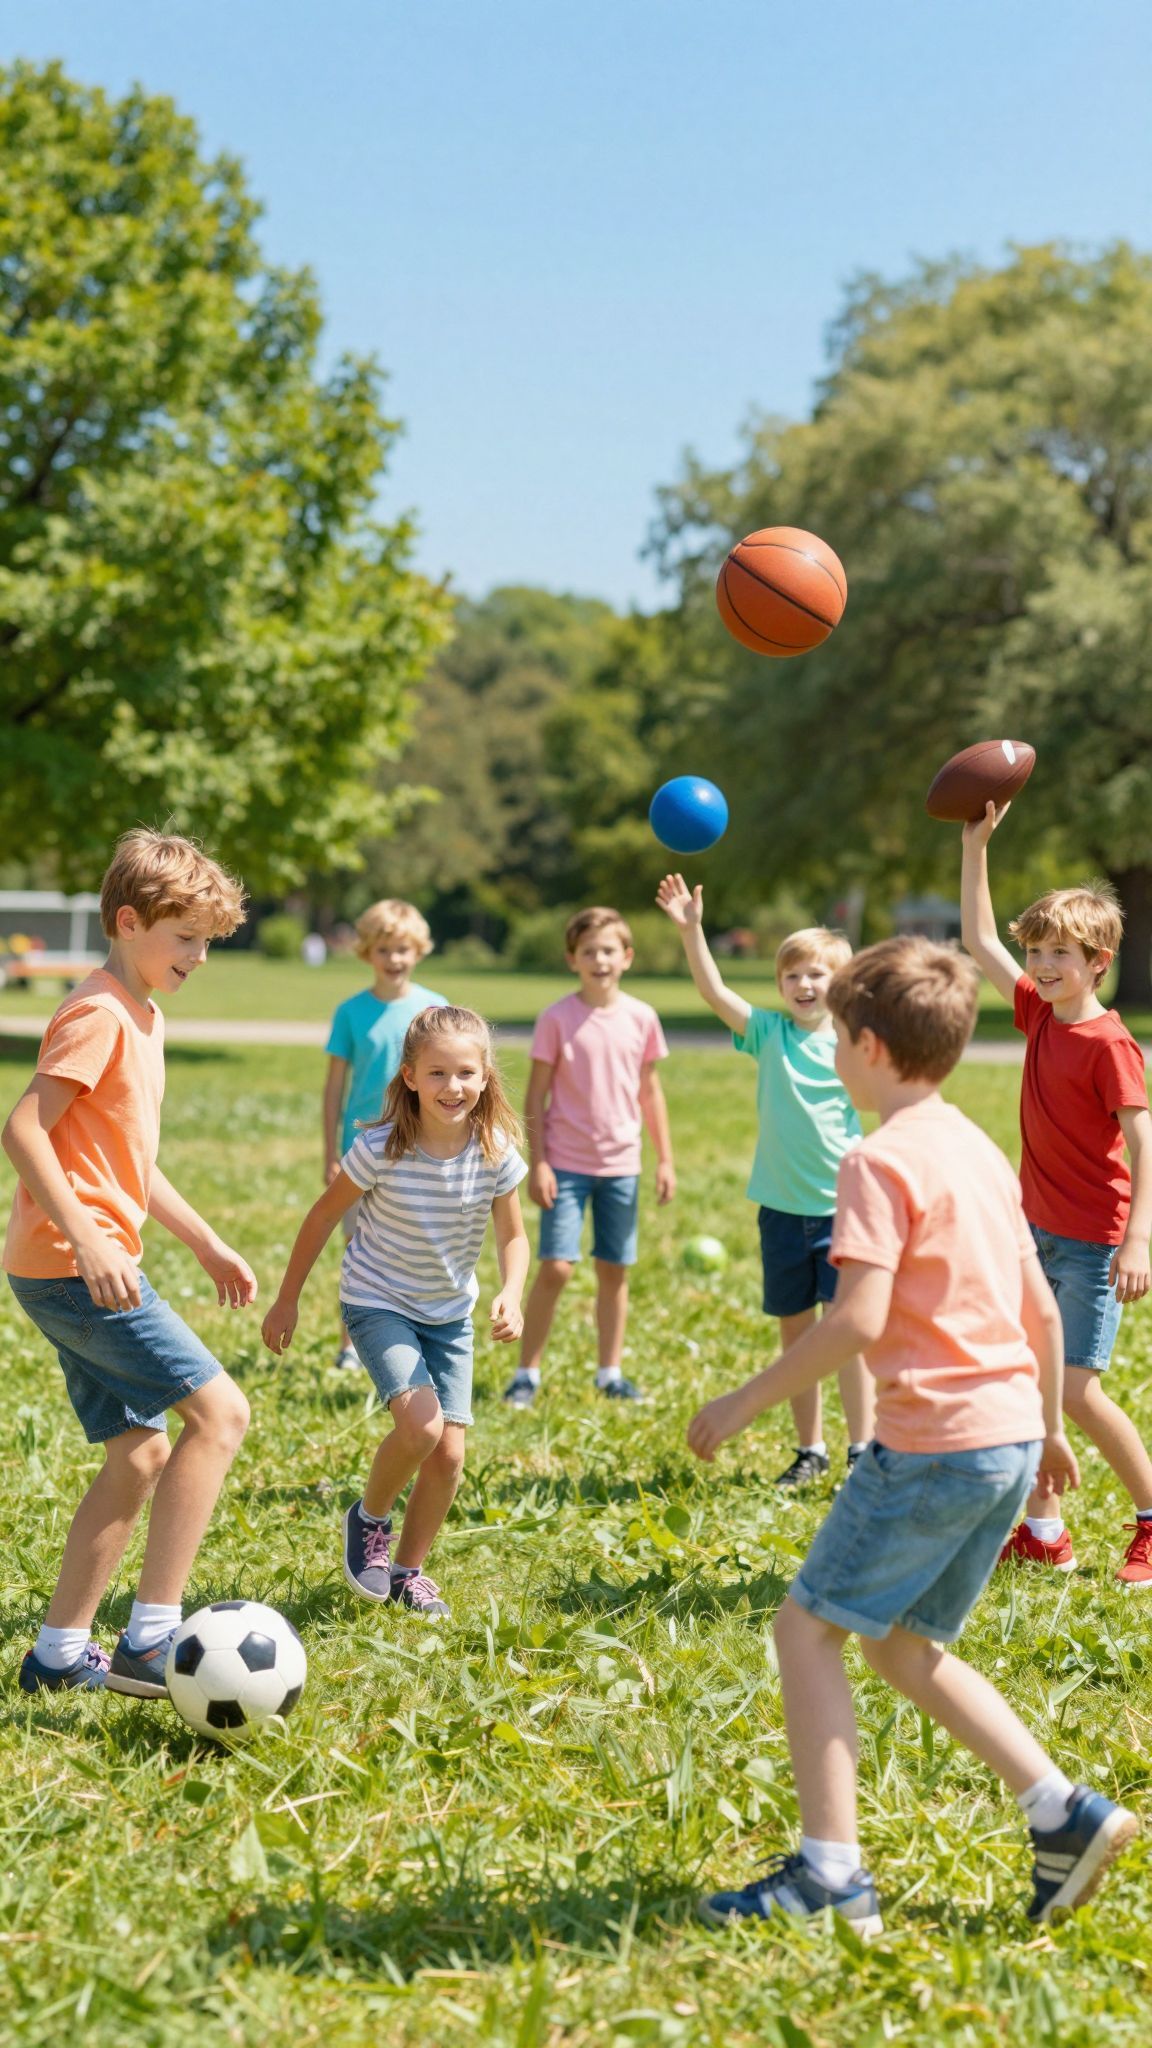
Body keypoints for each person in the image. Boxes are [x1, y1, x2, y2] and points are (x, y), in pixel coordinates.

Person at [687, 935, 1138, 1933]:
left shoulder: (875, 1158)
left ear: (874, 1049)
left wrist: (744, 1400)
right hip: (1008, 1437)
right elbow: (1039, 1305)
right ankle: (1062, 1809)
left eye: (842, 1037)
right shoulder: (975, 1144)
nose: (833, 1052)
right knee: (904, 1644)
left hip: (931, 1441)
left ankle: (829, 1876)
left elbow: (854, 1319)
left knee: (804, 1629)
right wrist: (1048, 1434)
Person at [3, 829, 255, 1696]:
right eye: (185, 937)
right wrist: (87, 1235)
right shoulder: (98, 1013)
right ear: (127, 920)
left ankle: (58, 1656)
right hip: (74, 1268)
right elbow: (23, 1129)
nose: (198, 956)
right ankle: (153, 1640)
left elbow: (128, 1160)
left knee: (139, 1453)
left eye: (208, 941)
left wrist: (204, 1239)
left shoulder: (143, 1013)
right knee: (221, 1416)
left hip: (66, 1266)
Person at [263, 1005, 528, 1620]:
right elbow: (324, 1215)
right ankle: (369, 1518)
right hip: (377, 1300)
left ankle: (409, 1570)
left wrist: (512, 1290)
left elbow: (514, 1237)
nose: (452, 1087)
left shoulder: (494, 1151)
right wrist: (288, 1296)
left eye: (465, 1072)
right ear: (409, 1076)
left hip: (449, 1315)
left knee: (450, 1455)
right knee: (421, 1428)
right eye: (437, 1074)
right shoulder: (380, 1147)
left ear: (486, 1076)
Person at [961, 806, 1152, 1585]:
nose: (1040, 966)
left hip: (1094, 1242)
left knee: (1075, 1389)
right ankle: (1045, 1532)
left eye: (1059, 954)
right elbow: (977, 939)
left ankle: (1150, 1516)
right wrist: (976, 846)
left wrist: (1140, 1239)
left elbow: (1145, 1143)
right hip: (1031, 1234)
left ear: (1098, 960)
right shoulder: (1039, 1014)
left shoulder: (1111, 1046)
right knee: (1030, 1382)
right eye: (1036, 951)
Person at [657, 875, 872, 1484]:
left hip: (843, 1210)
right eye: (793, 976)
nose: (805, 985)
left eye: (817, 975)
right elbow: (712, 989)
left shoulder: (855, 1044)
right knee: (798, 1336)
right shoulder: (769, 1034)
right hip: (780, 1209)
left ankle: (863, 1449)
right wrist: (692, 930)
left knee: (847, 1333)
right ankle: (811, 1450)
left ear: (841, 986)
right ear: (780, 985)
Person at [502, 906, 674, 1408]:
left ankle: (609, 1371)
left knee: (613, 1270)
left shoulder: (642, 1017)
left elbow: (651, 1092)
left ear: (627, 957)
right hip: (567, 1165)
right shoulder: (557, 1018)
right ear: (571, 959)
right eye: (588, 952)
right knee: (556, 1267)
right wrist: (539, 1163)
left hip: (622, 1164)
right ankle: (526, 1373)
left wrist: (665, 1159)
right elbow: (535, 1096)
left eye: (609, 950)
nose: (599, 959)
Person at [322, 899, 446, 1371]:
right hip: (359, 1151)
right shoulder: (351, 1013)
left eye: (403, 949)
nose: (394, 959)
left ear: (418, 951)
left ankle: (418, 1336)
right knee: (358, 1251)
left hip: (420, 1150)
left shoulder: (435, 1008)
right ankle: (350, 1346)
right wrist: (329, 1150)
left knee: (415, 1247)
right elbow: (335, 1087)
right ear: (367, 953)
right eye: (384, 949)